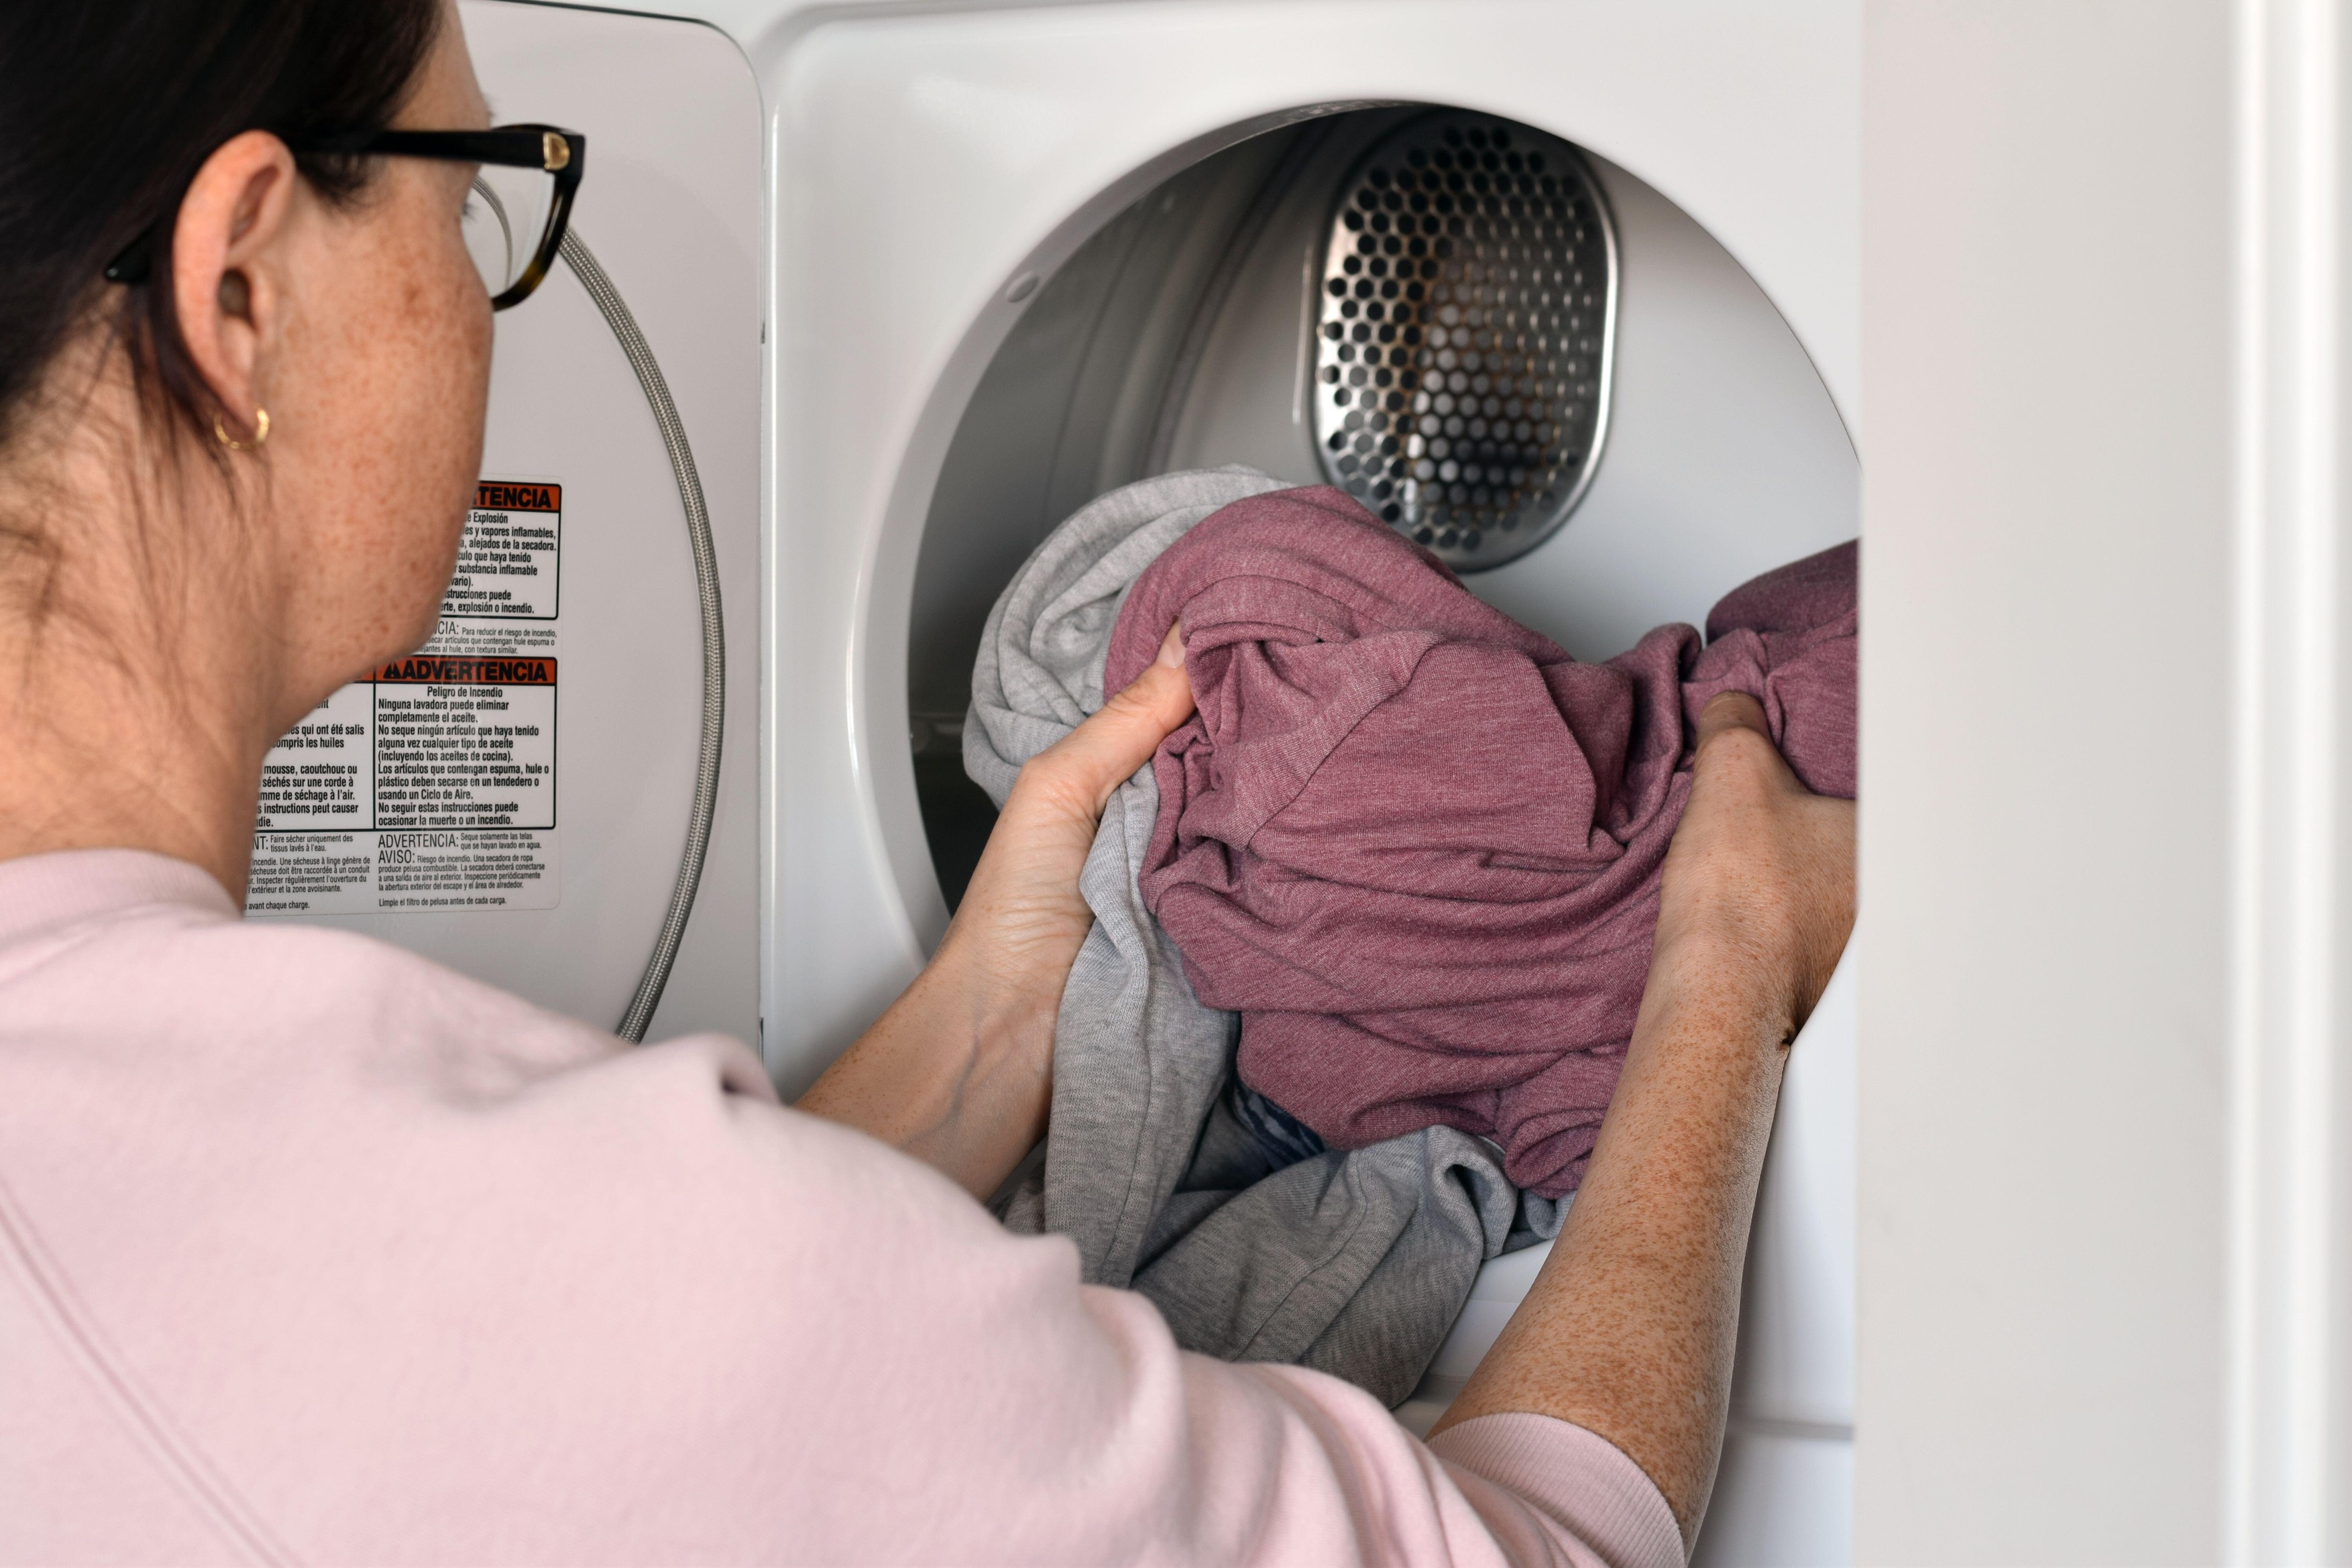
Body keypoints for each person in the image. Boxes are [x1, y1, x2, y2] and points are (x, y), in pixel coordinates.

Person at [0, 1, 1854, 1562]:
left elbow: (605, 1356)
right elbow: (1535, 1545)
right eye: (475, 206)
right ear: (239, 287)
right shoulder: (510, 1236)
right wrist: (1721, 957)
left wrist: (996, 998)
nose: (486, 304)